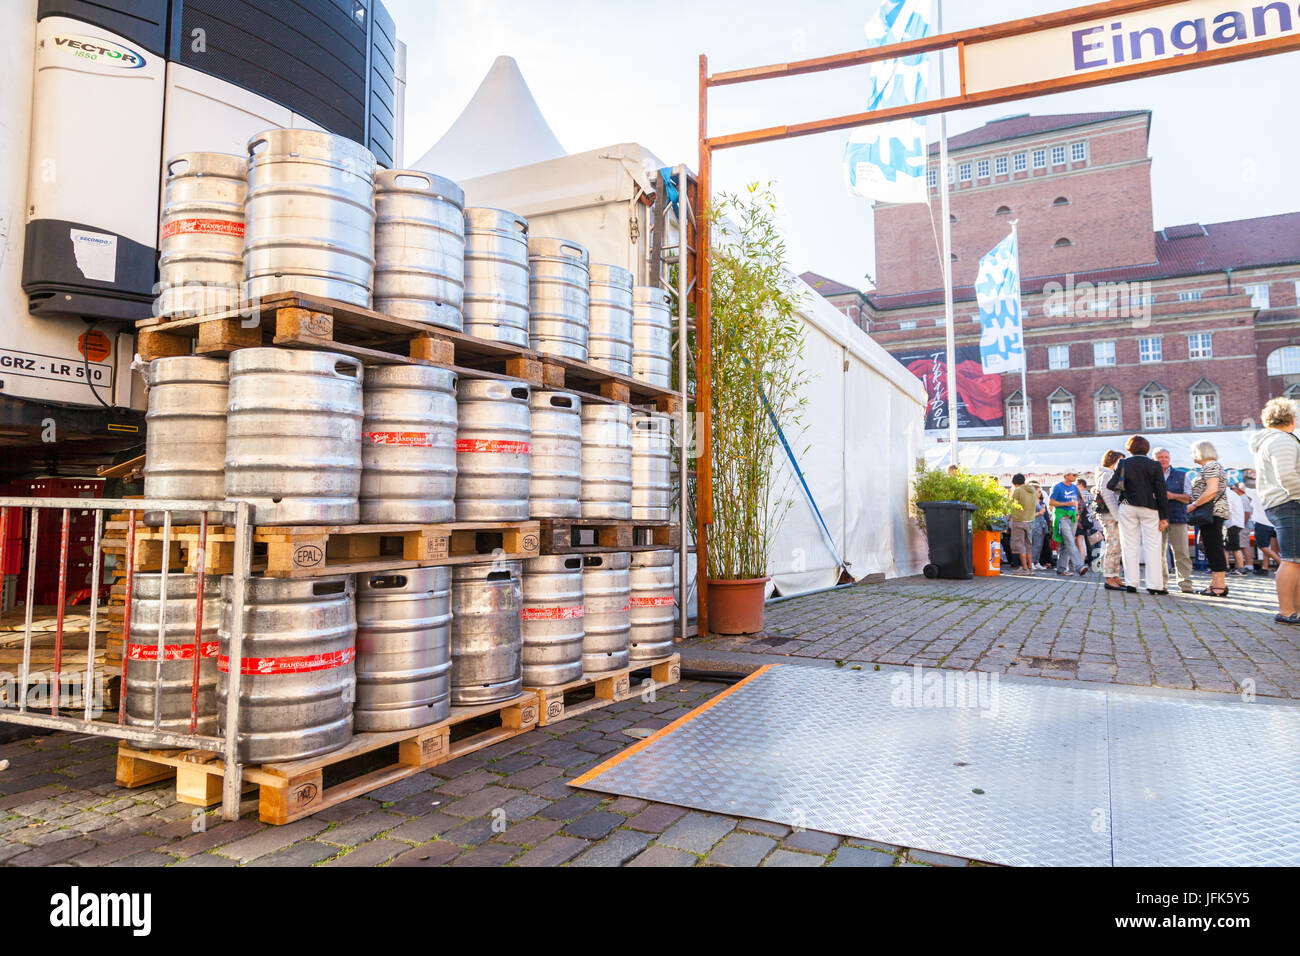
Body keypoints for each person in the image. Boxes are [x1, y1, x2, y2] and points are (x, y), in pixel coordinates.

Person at [1249, 397, 1300, 623]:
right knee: (1291, 559)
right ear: (1290, 418)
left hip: (1281, 503)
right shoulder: (1282, 440)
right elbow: (1287, 476)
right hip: (1290, 502)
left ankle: (1293, 610)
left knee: (1295, 559)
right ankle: (1286, 611)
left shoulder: (1270, 440)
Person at [1108, 435, 1170, 594]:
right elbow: (1161, 492)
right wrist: (1164, 517)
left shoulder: (1123, 463)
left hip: (1127, 506)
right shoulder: (1155, 465)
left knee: (1129, 545)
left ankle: (1131, 583)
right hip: (1150, 506)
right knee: (1153, 546)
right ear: (1147, 448)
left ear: (1130, 448)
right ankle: (1154, 585)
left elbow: (1111, 485)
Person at [1188, 441, 1231, 598]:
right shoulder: (1211, 466)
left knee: (1214, 547)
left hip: (1212, 512)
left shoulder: (1211, 466)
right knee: (1210, 547)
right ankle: (1216, 583)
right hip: (1211, 513)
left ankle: (1219, 585)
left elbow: (1212, 490)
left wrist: (1194, 505)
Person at [1153, 447, 1193, 593]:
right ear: (1154, 460)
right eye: (1160, 457)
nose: (1163, 460)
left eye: (1165, 457)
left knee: (1181, 552)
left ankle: (1185, 583)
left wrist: (1173, 496)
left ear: (1169, 458)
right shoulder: (1150, 476)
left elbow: (1189, 497)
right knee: (1158, 553)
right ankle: (1161, 583)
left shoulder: (1181, 475)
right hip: (1157, 519)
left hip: (1177, 517)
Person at [1049, 471, 1087, 576]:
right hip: (1062, 518)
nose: (1075, 477)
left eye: (1076, 475)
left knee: (1065, 544)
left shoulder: (1075, 488)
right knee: (1070, 542)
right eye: (1073, 475)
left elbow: (1076, 501)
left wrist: (1076, 513)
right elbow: (1051, 502)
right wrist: (1066, 503)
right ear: (1066, 476)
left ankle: (1061, 569)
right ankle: (1080, 566)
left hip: (1072, 518)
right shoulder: (1058, 487)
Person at [1244, 474, 1281, 574]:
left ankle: (1282, 565)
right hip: (1272, 522)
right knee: (1271, 548)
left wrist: (1243, 477)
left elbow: (1242, 487)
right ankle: (1265, 567)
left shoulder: (1256, 492)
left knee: (1263, 546)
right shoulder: (1271, 492)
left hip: (1261, 522)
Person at [1009, 473, 1037, 574]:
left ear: (1015, 483)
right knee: (1028, 545)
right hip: (1030, 520)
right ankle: (1030, 568)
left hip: (1019, 520)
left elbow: (1011, 505)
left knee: (1020, 544)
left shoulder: (1018, 490)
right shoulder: (1032, 490)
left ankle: (1024, 568)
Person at [1226, 483, 1250, 575]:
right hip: (1236, 523)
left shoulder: (1228, 494)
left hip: (1232, 523)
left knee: (1232, 547)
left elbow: (1228, 510)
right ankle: (1238, 567)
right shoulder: (1234, 495)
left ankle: (1239, 568)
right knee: (1233, 547)